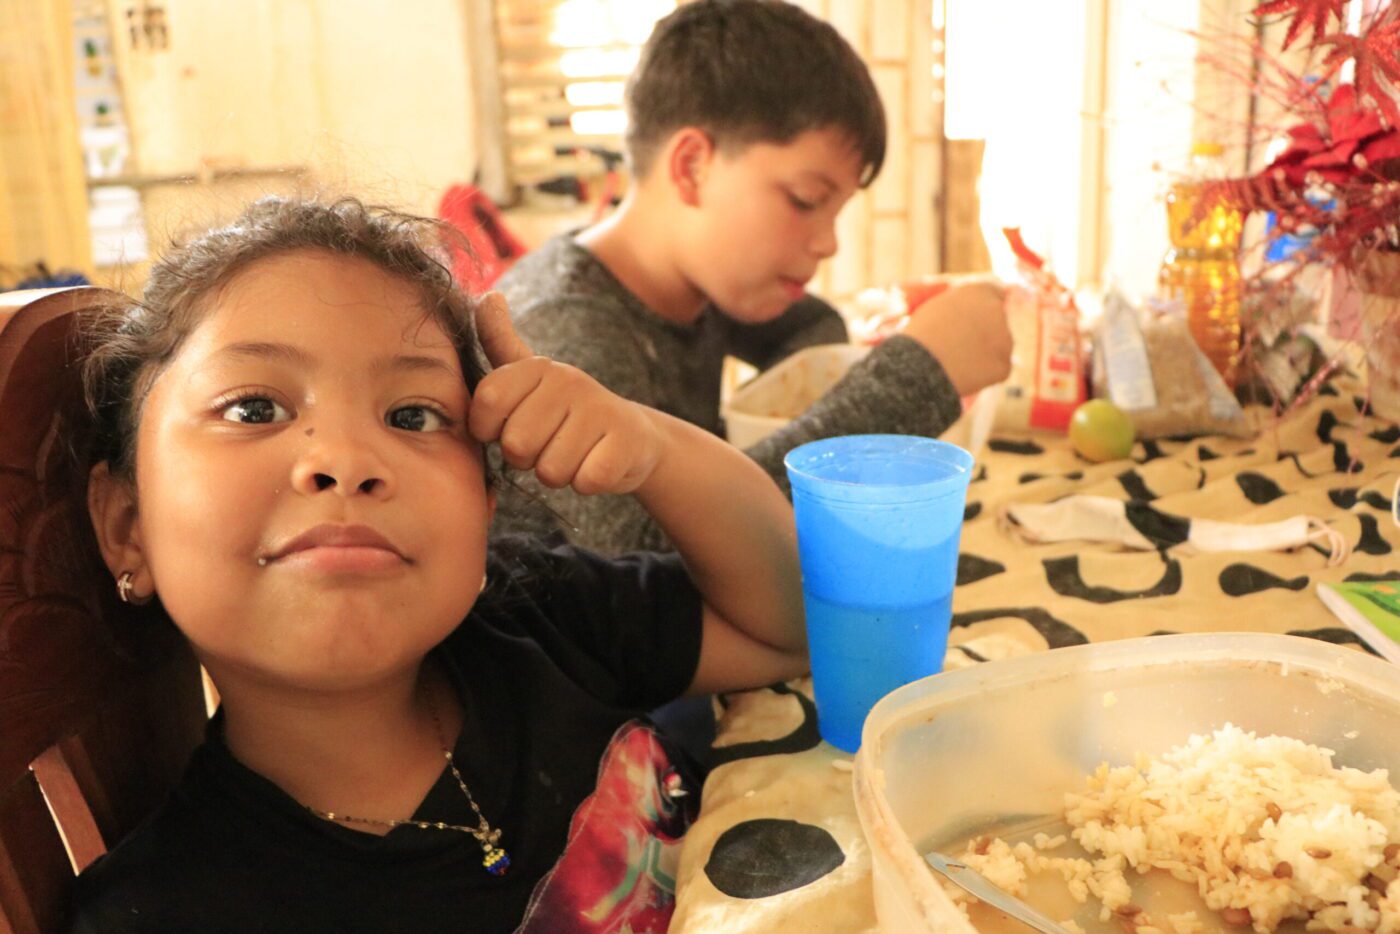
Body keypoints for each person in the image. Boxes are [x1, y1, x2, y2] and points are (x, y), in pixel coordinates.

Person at [67, 196, 807, 933]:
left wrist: (652, 448)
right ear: (128, 526)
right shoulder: (154, 914)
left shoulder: (542, 618)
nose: (347, 460)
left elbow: (789, 625)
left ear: (484, 508)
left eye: (412, 415)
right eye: (254, 409)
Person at [494, 0, 1013, 554]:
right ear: (693, 167)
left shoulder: (698, 284)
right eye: (806, 199)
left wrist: (800, 412)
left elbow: (813, 322)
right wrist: (913, 378)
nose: (829, 242)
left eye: (834, 212)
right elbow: (652, 568)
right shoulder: (564, 332)